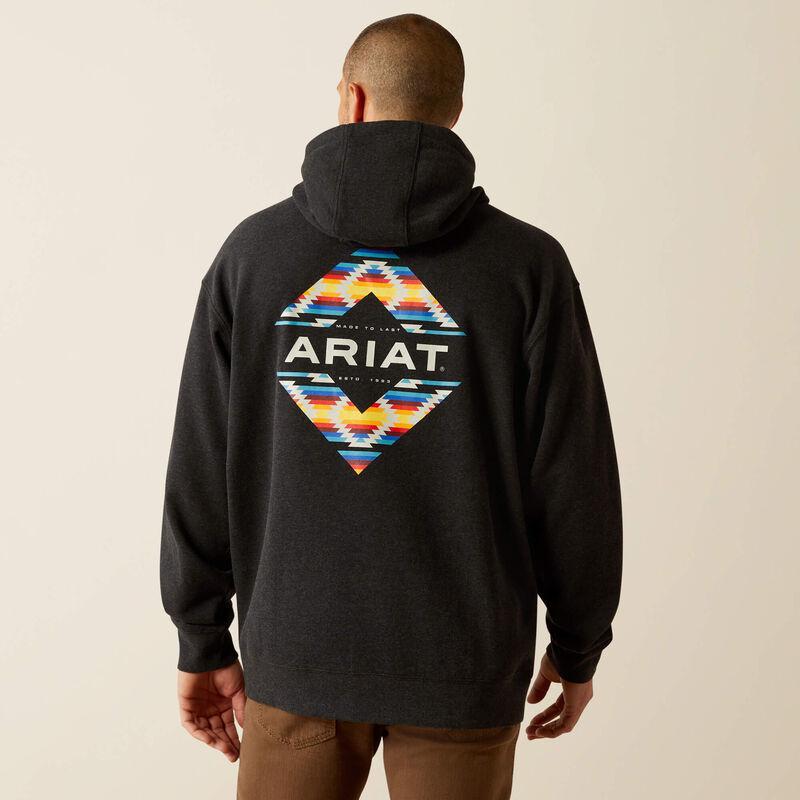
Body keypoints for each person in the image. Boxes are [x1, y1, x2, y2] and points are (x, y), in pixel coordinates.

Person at [159, 13, 623, 800]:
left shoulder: (254, 257)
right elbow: (575, 479)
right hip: (463, 665)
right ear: (455, 113)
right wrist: (579, 645)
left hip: (298, 656)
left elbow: (201, 460)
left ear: (352, 98)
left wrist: (200, 637)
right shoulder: (527, 268)